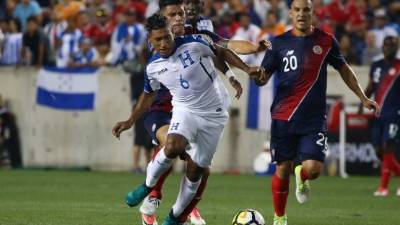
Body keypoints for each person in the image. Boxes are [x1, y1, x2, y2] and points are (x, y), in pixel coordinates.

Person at [112, 0, 269, 224]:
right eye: (172, 15)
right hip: (169, 108)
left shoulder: (197, 38)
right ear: (161, 22)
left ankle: (180, 213)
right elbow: (148, 93)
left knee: (199, 170)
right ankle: (151, 194)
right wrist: (130, 120)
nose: (178, 18)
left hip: (211, 112)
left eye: (180, 14)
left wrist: (245, 65)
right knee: (174, 145)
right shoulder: (152, 56)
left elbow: (224, 48)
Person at [255, 0, 380, 224]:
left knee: (313, 170)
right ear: (290, 14)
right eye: (297, 10)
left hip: (313, 119)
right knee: (282, 168)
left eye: (306, 10)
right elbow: (264, 77)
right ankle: (280, 217)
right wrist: (258, 76)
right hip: (283, 117)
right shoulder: (278, 43)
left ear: (313, 13)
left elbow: (344, 69)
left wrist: (362, 97)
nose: (302, 14)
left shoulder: (325, 40)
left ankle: (301, 174)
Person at [359, 36, 400, 197]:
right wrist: (362, 102)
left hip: (394, 114)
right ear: (382, 47)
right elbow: (370, 87)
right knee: (378, 151)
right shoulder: (376, 66)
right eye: (386, 45)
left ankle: (383, 187)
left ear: (397, 48)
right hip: (378, 114)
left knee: (388, 146)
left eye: (392, 45)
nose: (389, 48)